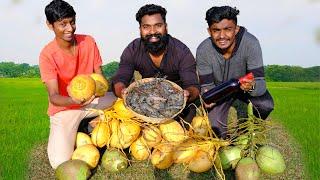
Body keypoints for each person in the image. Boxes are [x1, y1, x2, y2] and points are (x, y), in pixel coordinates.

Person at [39, 0, 116, 169]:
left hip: (93, 102)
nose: (70, 28)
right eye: (63, 24)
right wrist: (75, 100)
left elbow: (100, 76)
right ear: (50, 25)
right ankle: (81, 126)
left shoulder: (88, 41)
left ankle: (89, 124)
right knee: (60, 163)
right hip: (65, 109)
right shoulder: (47, 55)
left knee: (121, 103)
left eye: (72, 22)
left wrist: (100, 89)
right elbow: (54, 97)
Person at [196, 6, 274, 138]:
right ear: (209, 31)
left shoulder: (251, 43)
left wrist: (252, 86)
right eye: (216, 30)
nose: (222, 36)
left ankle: (250, 134)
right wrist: (208, 97)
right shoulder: (203, 50)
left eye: (228, 29)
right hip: (221, 93)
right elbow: (206, 86)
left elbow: (260, 83)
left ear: (236, 29)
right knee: (216, 132)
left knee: (265, 105)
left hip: (245, 91)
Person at [112, 4, 200, 121]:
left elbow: (193, 86)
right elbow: (120, 79)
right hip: (145, 101)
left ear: (166, 27)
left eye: (158, 26)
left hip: (177, 104)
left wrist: (187, 94)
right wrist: (122, 91)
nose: (152, 32)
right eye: (146, 27)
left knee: (181, 134)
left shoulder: (181, 51)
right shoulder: (133, 49)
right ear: (140, 29)